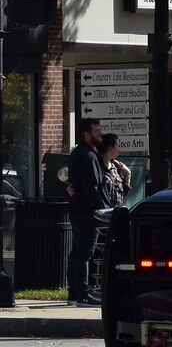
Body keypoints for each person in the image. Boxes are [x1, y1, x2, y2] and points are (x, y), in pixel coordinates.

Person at [66, 118, 108, 307]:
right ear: (86, 134)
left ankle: (73, 293)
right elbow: (92, 187)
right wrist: (101, 210)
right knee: (84, 253)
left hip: (78, 210)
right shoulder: (88, 156)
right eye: (96, 130)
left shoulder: (78, 153)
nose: (100, 133)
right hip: (87, 213)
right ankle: (82, 294)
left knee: (77, 253)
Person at [98, 133, 131, 207]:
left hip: (116, 214)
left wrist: (128, 174)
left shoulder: (115, 168)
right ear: (110, 148)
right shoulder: (97, 167)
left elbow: (122, 194)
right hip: (103, 214)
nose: (119, 149)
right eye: (118, 146)